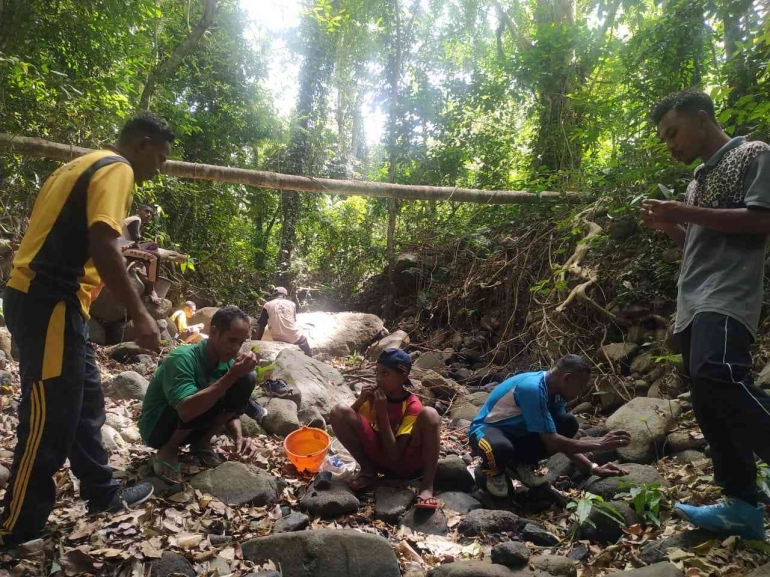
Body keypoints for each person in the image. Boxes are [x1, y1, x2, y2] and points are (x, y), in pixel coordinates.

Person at [0, 112, 171, 548]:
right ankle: (16, 526)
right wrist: (140, 314)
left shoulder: (79, 164)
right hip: (49, 299)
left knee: (86, 402)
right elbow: (102, 239)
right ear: (142, 143)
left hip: (54, 301)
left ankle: (101, 493)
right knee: (48, 417)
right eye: (161, 156)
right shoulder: (119, 168)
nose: (161, 167)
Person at [641, 89, 770, 540]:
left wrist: (684, 211)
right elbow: (698, 244)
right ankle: (742, 507)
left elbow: (761, 220)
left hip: (728, 295)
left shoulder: (754, 154)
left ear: (702, 118)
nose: (670, 144)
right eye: (664, 138)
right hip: (692, 303)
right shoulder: (697, 181)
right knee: (709, 403)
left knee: (721, 378)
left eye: (673, 132)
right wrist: (672, 225)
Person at [469, 355, 631, 499]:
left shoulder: (554, 393)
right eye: (580, 386)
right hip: (485, 431)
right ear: (566, 378)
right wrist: (600, 443)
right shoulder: (532, 388)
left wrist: (593, 468)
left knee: (567, 423)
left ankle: (522, 464)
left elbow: (561, 440)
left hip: (515, 435)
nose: (580, 393)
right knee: (500, 449)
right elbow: (553, 442)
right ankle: (491, 472)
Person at [139, 306, 267, 484]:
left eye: (241, 342)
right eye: (232, 340)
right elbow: (186, 410)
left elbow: (231, 409)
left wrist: (239, 437)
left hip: (190, 426)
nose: (235, 348)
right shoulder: (182, 357)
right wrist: (231, 376)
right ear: (213, 332)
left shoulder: (227, 362)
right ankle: (168, 450)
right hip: (159, 430)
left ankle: (202, 443)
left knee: (247, 379)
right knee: (213, 387)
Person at [330, 348, 441, 508]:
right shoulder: (375, 396)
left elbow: (395, 455)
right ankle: (368, 471)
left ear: (403, 377)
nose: (378, 379)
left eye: (385, 373)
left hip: (404, 464)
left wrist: (382, 414)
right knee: (338, 410)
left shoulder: (411, 405)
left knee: (430, 414)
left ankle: (427, 486)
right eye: (377, 372)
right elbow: (345, 422)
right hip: (379, 460)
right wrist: (360, 401)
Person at [254, 287, 312, 356]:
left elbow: (261, 325)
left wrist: (257, 341)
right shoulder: (292, 304)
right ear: (285, 296)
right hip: (292, 337)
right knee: (303, 340)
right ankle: (309, 358)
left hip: (276, 337)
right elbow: (293, 321)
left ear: (274, 296)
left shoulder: (267, 305)